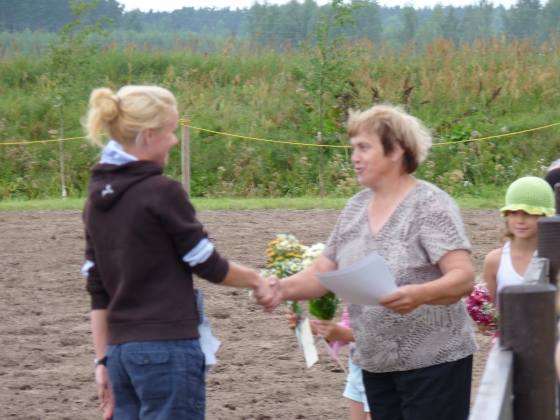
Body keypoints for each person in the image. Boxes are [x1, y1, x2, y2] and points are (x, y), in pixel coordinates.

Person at [269, 104, 477, 420]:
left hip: (435, 362)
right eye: (353, 148)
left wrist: (419, 294)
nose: (354, 157)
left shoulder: (431, 205)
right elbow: (321, 273)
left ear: (395, 150)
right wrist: (276, 288)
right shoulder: (354, 208)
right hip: (375, 363)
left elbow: (462, 278)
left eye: (364, 147)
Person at [82, 85, 276, 420]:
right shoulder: (162, 192)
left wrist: (102, 363)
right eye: (171, 131)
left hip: (118, 356)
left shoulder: (94, 202)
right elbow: (207, 263)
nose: (174, 140)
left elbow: (97, 290)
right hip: (166, 351)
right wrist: (257, 280)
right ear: (148, 135)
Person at [478, 177, 555, 335]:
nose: (520, 220)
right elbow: (488, 312)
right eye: (513, 212)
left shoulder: (556, 258)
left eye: (528, 213)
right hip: (509, 346)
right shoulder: (495, 260)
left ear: (546, 216)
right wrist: (485, 320)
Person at [285, 307, 371, 420]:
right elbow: (349, 327)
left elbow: (383, 335)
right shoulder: (355, 298)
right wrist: (312, 326)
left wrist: (341, 333)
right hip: (357, 373)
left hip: (381, 375)